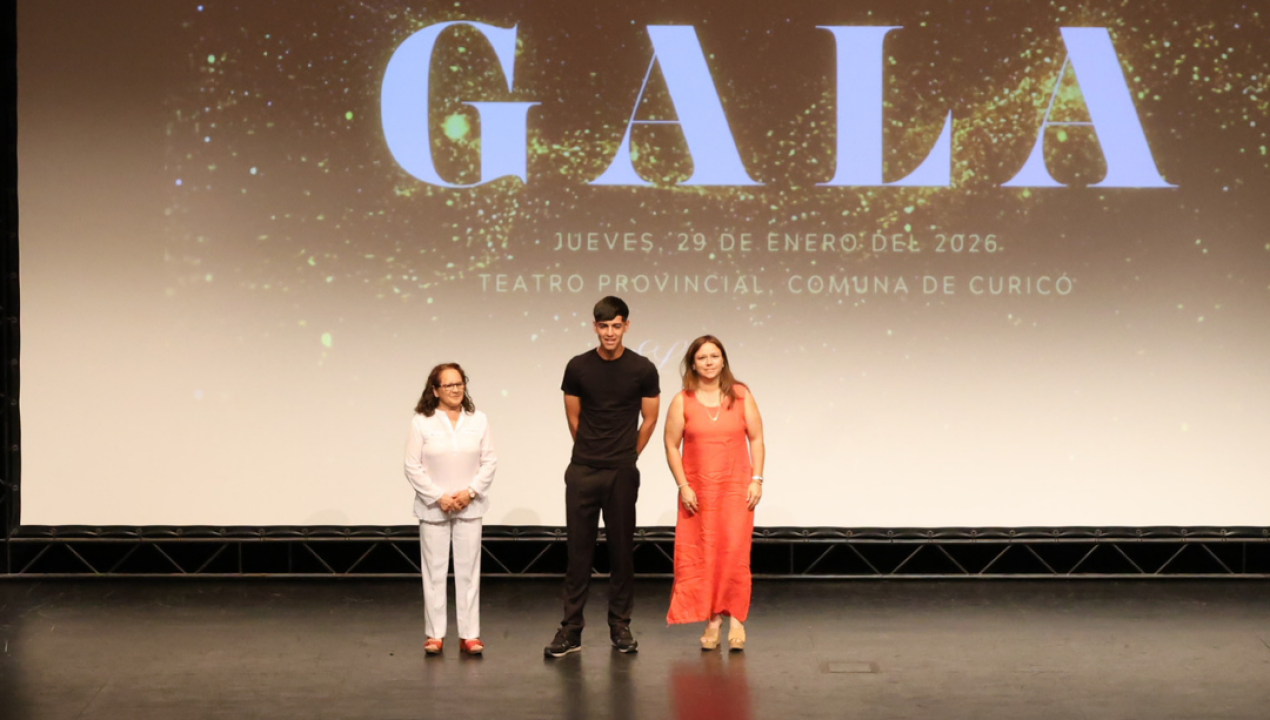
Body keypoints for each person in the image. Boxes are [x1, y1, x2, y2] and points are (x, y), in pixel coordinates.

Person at [544, 296, 661, 658]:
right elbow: (573, 417)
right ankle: (571, 629)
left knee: (621, 552)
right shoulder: (578, 367)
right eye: (604, 326)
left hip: (621, 472)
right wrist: (590, 451)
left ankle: (620, 625)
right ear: (595, 327)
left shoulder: (642, 368)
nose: (610, 332)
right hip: (583, 469)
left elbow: (651, 419)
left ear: (627, 326)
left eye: (616, 325)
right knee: (578, 552)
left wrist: (628, 455)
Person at [663, 335, 765, 651]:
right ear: (693, 364)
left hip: (736, 489)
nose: (709, 362)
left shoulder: (741, 394)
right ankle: (712, 620)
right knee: (702, 555)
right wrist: (683, 485)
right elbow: (671, 445)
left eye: (714, 356)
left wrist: (757, 479)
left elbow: (757, 438)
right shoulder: (682, 400)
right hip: (698, 492)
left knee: (734, 553)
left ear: (723, 361)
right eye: (702, 357)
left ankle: (736, 619)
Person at [404, 363, 497, 656]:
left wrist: (470, 492)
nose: (456, 389)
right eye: (449, 385)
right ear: (435, 390)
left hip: (470, 506)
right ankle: (435, 634)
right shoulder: (422, 422)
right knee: (434, 572)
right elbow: (412, 466)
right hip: (434, 508)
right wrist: (438, 496)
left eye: (459, 384)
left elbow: (489, 461)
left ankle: (469, 634)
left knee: (469, 572)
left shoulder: (478, 419)